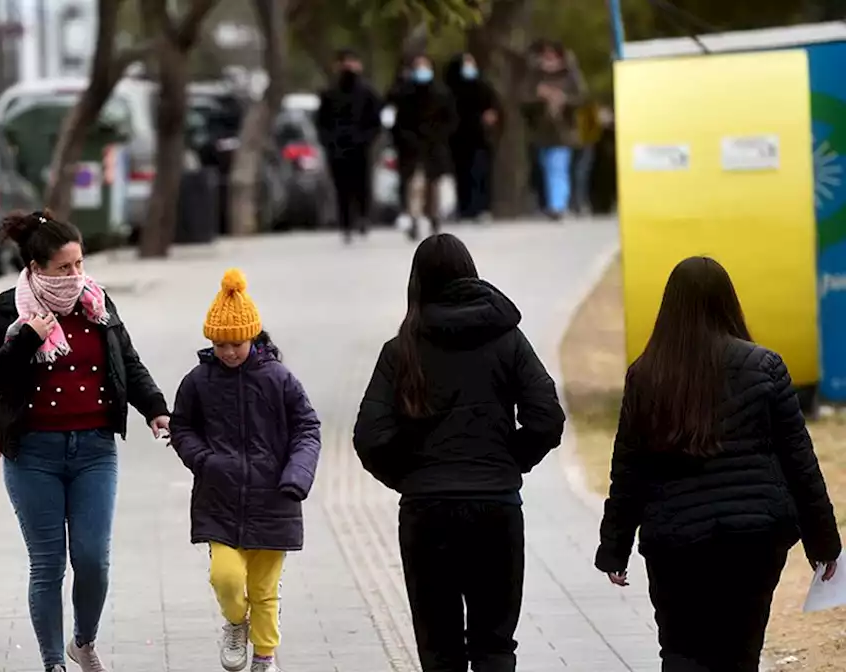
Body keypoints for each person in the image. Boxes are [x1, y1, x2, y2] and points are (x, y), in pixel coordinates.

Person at [594, 257, 841, 672]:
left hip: (676, 540)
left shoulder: (646, 375)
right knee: (740, 653)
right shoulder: (765, 367)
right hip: (754, 538)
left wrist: (614, 548)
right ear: (728, 302)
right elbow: (799, 460)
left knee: (680, 650)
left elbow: (628, 471)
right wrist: (824, 543)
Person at [352, 233, 565, 672]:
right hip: (495, 507)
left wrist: (411, 476)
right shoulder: (508, 340)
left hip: (427, 512)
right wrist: (510, 461)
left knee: (440, 650)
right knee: (495, 645)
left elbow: (369, 437)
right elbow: (547, 417)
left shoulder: (402, 350)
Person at [0, 210, 170, 672]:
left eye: (79, 263)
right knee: (48, 564)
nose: (76, 275)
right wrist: (24, 340)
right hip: (34, 453)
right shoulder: (7, 309)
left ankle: (83, 641)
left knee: (93, 558)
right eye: (64, 268)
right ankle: (51, 662)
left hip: (95, 450)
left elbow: (129, 363)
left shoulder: (98, 303)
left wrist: (156, 409)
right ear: (36, 268)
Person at [169, 268, 322, 672]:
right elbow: (181, 426)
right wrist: (204, 460)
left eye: (236, 343)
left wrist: (296, 475)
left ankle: (265, 657)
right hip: (218, 499)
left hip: (275, 499)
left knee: (263, 588)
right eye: (220, 344)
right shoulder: (198, 382)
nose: (229, 352)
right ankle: (236, 622)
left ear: (252, 336)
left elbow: (308, 427)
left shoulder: (280, 379)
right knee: (226, 578)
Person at [387, 53, 458, 240]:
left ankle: (433, 217)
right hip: (412, 148)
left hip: (435, 146)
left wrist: (440, 136)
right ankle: (414, 218)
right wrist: (405, 139)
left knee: (433, 186)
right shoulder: (404, 94)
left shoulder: (442, 93)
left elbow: (451, 120)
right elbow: (397, 122)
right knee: (414, 185)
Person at [316, 48, 383, 243]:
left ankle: (362, 217)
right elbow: (322, 122)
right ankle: (346, 223)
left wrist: (366, 139)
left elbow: (375, 121)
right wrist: (329, 141)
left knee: (362, 185)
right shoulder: (329, 93)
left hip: (361, 148)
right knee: (341, 188)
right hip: (337, 149)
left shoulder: (367, 93)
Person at [522, 42, 585, 220]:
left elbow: (580, 98)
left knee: (558, 167)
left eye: (552, 55)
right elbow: (524, 100)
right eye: (546, 55)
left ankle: (557, 206)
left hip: (563, 131)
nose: (549, 59)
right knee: (546, 167)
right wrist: (539, 96)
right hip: (541, 132)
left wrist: (563, 99)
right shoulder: (534, 76)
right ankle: (552, 203)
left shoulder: (570, 75)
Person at [444, 53, 500, 221]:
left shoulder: (483, 86)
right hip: (457, 139)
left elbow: (494, 108)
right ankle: (464, 208)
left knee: (480, 173)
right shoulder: (450, 90)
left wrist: (490, 118)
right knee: (462, 174)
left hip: (480, 138)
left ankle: (481, 208)